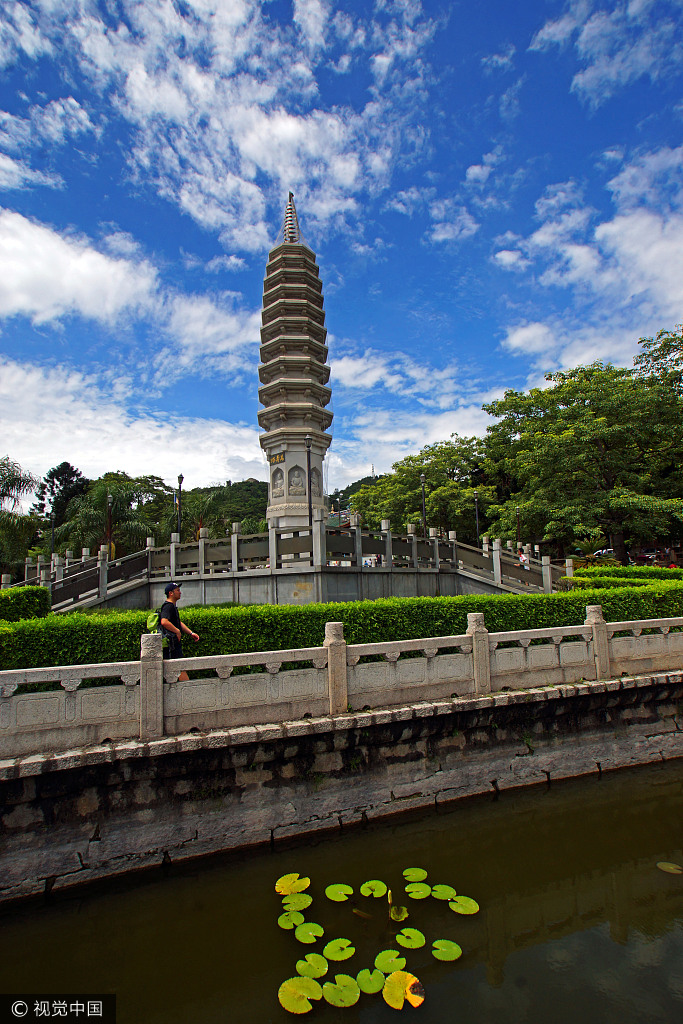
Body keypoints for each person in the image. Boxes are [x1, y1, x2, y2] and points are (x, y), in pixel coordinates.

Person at [160, 582, 199, 682]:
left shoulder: (172, 606)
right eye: (177, 590)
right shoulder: (168, 606)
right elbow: (164, 621)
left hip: (174, 643)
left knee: (178, 667)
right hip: (171, 644)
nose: (180, 592)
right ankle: (187, 690)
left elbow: (178, 622)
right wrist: (177, 631)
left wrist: (190, 633)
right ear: (171, 593)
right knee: (179, 667)